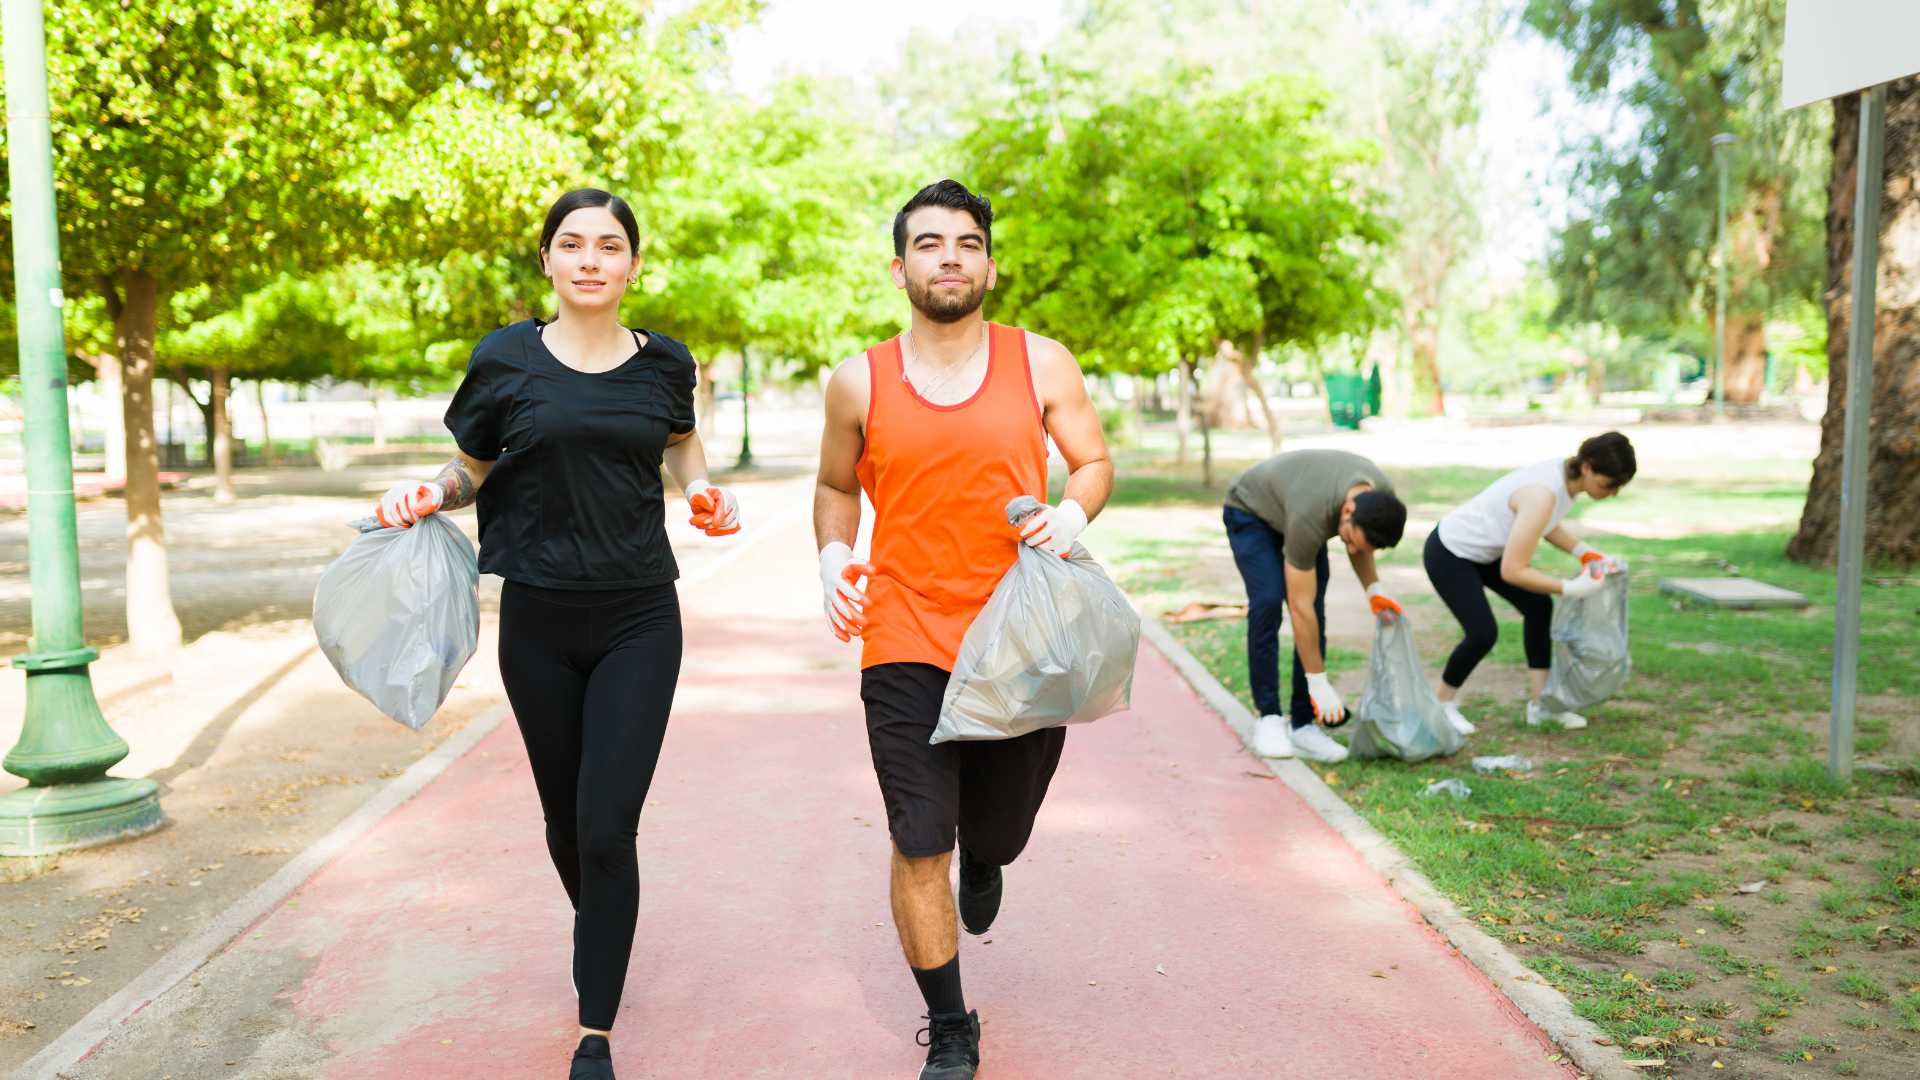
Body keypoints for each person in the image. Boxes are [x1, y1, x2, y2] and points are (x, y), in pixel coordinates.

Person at [369, 188, 739, 1080]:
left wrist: (700, 491)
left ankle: (595, 1032)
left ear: (633, 265)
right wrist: (432, 494)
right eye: (570, 244)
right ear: (547, 261)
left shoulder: (665, 364)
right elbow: (471, 468)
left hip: (640, 616)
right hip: (535, 618)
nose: (588, 260)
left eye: (608, 246)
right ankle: (603, 922)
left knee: (608, 827)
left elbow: (681, 446)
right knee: (566, 824)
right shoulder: (504, 358)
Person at [813, 179, 1113, 1080]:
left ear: (989, 262)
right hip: (904, 633)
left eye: (968, 242)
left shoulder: (1043, 362)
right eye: (931, 243)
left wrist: (1072, 517)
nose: (951, 255)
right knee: (917, 838)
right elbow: (835, 487)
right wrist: (833, 558)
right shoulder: (857, 379)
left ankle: (989, 861)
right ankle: (950, 1026)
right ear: (899, 265)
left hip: (1022, 636)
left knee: (1000, 828)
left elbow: (1093, 461)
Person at [1423, 431, 1635, 733]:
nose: (1612, 493)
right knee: (1482, 632)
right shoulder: (1543, 492)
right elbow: (1513, 570)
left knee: (1538, 606)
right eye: (1608, 484)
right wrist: (1571, 588)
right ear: (1587, 467)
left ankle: (1542, 706)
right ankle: (1441, 706)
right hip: (1450, 552)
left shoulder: (1565, 479)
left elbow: (1544, 523)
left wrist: (1585, 552)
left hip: (1487, 551)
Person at [1223, 449, 1409, 764]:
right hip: (1250, 510)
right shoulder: (1312, 512)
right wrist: (1318, 682)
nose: (1349, 548)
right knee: (1269, 602)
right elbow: (1299, 608)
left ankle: (1303, 724)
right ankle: (1268, 717)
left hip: (1294, 510)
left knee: (1317, 611)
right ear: (1347, 510)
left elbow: (1361, 546)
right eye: (1347, 539)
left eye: (1355, 544)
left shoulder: (1380, 500)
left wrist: (1374, 591)